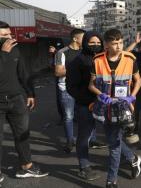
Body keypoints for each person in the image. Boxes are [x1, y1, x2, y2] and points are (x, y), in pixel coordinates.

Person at [88, 29, 141, 188]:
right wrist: (101, 95)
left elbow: (139, 81)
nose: (119, 46)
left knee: (114, 147)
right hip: (105, 109)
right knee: (113, 141)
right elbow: (90, 85)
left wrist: (132, 96)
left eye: (120, 42)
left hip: (124, 108)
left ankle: (111, 181)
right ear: (106, 44)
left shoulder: (130, 59)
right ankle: (132, 159)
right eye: (114, 43)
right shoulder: (97, 60)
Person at [0, 21, 48, 181]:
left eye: (9, 34)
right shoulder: (6, 51)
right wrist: (3, 54)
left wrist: (30, 93)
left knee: (22, 135)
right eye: (4, 35)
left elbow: (23, 74)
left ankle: (26, 167)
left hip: (16, 100)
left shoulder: (15, 49)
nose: (9, 38)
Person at [66, 31, 108, 181]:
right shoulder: (77, 61)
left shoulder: (105, 59)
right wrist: (87, 101)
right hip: (86, 105)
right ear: (85, 43)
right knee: (84, 137)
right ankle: (84, 166)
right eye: (92, 43)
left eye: (98, 43)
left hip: (106, 103)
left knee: (113, 133)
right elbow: (71, 87)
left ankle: (130, 158)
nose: (96, 45)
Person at [54, 28, 85, 153]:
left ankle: (90, 140)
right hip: (66, 89)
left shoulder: (84, 52)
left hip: (82, 89)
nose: (86, 40)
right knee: (68, 116)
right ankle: (70, 141)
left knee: (87, 115)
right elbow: (58, 72)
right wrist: (77, 69)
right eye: (83, 37)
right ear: (75, 38)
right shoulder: (62, 52)